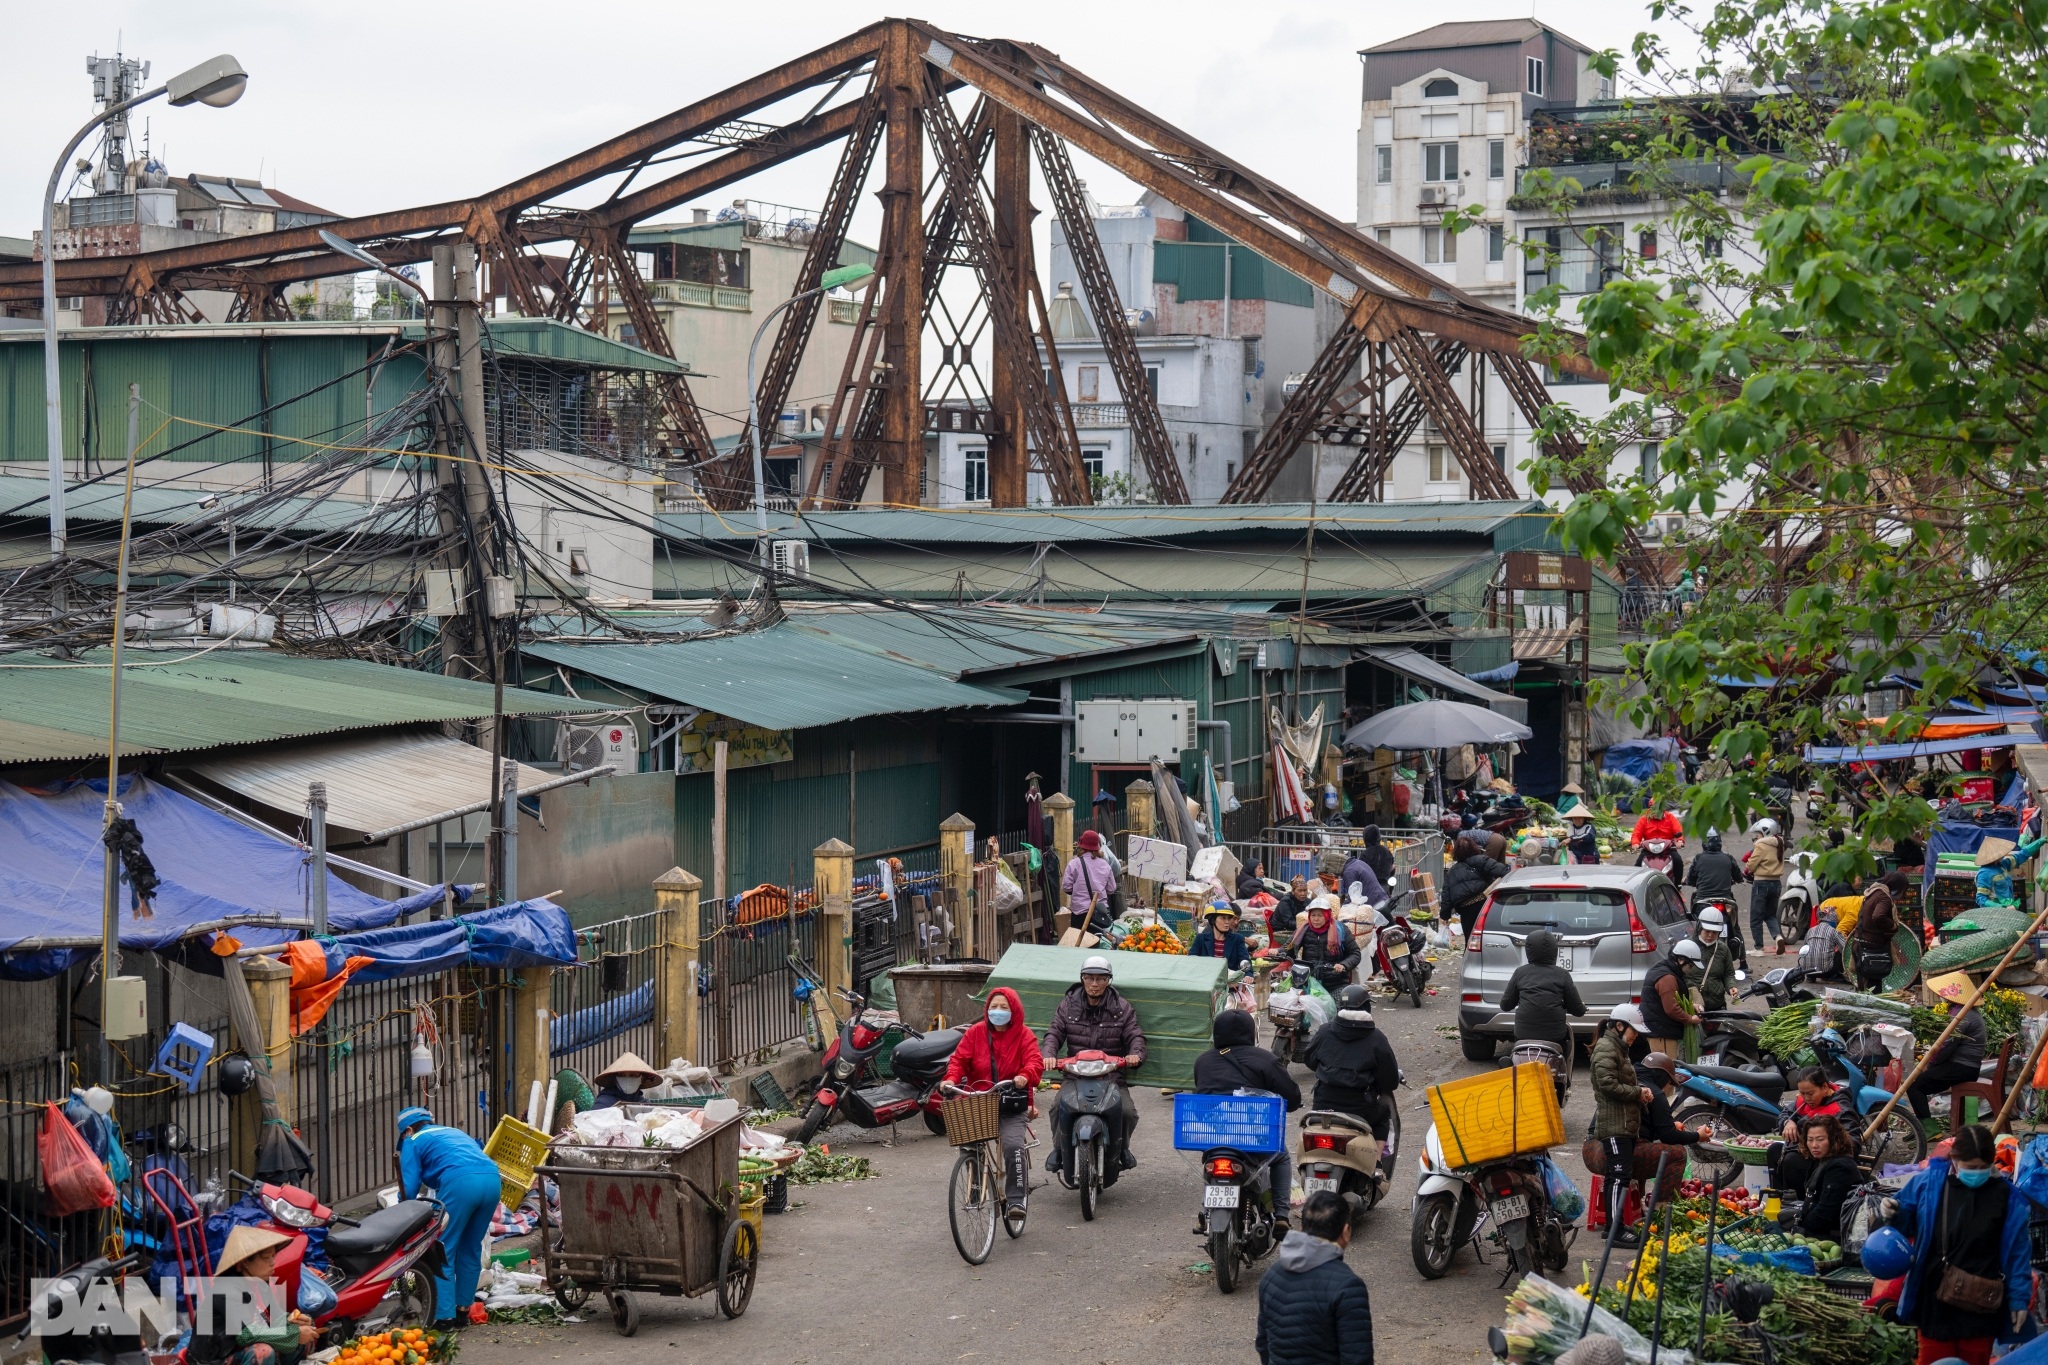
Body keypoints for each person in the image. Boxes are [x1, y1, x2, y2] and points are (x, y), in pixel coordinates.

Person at [1889, 1124, 2032, 1365]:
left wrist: (2019, 1300)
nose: (1975, 1173)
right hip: (1935, 1297)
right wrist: (1893, 1214)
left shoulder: (2008, 1198)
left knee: (1975, 1359)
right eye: (1969, 1167)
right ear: (1954, 1160)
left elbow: (2018, 1253)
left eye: (1981, 1168)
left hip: (1983, 1300)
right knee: (1933, 1359)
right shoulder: (1930, 1182)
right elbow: (1906, 1227)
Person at [1195, 1010, 1303, 1233]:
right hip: (1252, 1136)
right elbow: (1292, 1099)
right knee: (1280, 1156)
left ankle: (1208, 1213)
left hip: (1214, 1135)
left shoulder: (1203, 1060)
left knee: (1211, 1160)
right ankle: (1281, 1215)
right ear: (1250, 1032)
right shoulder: (1265, 1059)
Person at [397, 1105, 503, 1329]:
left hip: (461, 1183)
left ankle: (443, 1317)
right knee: (470, 1247)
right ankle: (462, 1311)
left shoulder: (412, 1140)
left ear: (407, 1129)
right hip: (492, 1180)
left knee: (442, 1249)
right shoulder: (453, 1132)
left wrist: (399, 1212)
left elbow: (409, 1187)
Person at [941, 986, 1042, 1216]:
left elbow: (1034, 1062)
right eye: (993, 1007)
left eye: (1004, 1007)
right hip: (980, 1101)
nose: (998, 1011)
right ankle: (976, 1187)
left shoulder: (1024, 1035)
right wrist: (950, 1079)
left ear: (1014, 1011)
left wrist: (1024, 1075)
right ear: (987, 1009)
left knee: (1013, 1145)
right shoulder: (975, 1033)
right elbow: (959, 1060)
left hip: (1011, 1102)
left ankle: (1017, 1200)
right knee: (969, 1143)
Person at [1043, 955, 1145, 1174]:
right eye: (1090, 978)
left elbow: (1135, 1035)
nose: (1095, 984)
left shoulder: (1121, 1007)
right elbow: (1054, 1033)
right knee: (1056, 1108)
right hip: (1075, 1075)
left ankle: (1123, 1148)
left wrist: (1135, 1054)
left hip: (1111, 1076)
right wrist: (1049, 1054)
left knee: (1127, 1112)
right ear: (1082, 979)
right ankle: (1059, 1149)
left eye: (1100, 979)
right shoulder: (1068, 1005)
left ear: (1108, 980)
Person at [1254, 1190, 1374, 1365]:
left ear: (1303, 1229)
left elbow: (1263, 1345)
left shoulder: (1271, 1276)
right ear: (1346, 1232)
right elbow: (1357, 1358)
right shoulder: (1348, 1287)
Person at [187, 1225, 319, 1365]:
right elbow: (246, 1335)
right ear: (245, 1262)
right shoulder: (226, 1289)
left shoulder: (261, 1284)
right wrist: (295, 1334)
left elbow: (276, 1319)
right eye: (266, 1258)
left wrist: (294, 1322)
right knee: (263, 1351)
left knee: (303, 1334)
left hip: (241, 1349)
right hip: (213, 1359)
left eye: (273, 1256)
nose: (273, 1263)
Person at [1303, 985, 1400, 1148]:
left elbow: (1310, 1059)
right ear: (1367, 1008)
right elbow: (1390, 1081)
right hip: (1360, 1110)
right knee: (1383, 1116)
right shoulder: (1376, 1038)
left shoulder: (1325, 1031)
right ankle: (1377, 1165)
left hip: (1321, 1107)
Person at [1591, 1004, 1652, 1244]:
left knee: (1621, 1175)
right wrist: (1637, 1093)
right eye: (1632, 1030)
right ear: (1619, 1026)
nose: (1635, 1035)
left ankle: (1615, 1227)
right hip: (1614, 1125)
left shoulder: (1618, 1048)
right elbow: (1608, 1085)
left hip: (1623, 1124)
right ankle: (1615, 1230)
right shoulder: (1607, 1048)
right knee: (1618, 1177)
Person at [1498, 929, 1585, 1063]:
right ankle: (1565, 1077)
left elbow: (1505, 1005)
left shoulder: (1520, 972)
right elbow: (1578, 1010)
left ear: (1528, 950)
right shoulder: (1562, 975)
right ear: (1554, 951)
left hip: (1523, 1034)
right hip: (1555, 1036)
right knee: (1567, 1045)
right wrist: (1580, 1008)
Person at [1907, 996, 1987, 1121]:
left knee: (1915, 1087)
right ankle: (1925, 1126)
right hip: (1966, 1066)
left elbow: (1946, 1045)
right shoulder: (1967, 1012)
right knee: (1923, 1081)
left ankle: (1928, 1129)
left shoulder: (1963, 1015)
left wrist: (1931, 1064)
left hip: (1963, 1068)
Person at [1780, 1116, 1860, 1239]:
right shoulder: (1822, 1159)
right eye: (1810, 1139)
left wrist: (1799, 1228)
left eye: (1820, 1139)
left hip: (1833, 1233)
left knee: (1774, 1231)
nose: (1814, 1145)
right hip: (1820, 1224)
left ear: (1834, 1139)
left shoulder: (1840, 1167)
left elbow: (1825, 1214)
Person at [1637, 938, 1703, 1057]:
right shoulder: (1667, 978)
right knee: (1666, 1068)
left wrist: (1692, 1006)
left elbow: (1671, 999)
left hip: (1658, 1028)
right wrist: (1690, 1018)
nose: (1691, 969)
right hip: (1662, 1032)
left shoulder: (1665, 969)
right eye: (1691, 965)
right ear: (1681, 960)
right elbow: (1671, 1008)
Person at [1442, 834, 1509, 940]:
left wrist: (1445, 916)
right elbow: (1504, 871)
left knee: (1470, 941)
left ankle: (1470, 957)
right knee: (1487, 937)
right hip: (1486, 904)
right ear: (1474, 847)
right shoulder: (1482, 860)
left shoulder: (1452, 871)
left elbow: (1446, 896)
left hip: (1466, 909)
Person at [1290, 897, 1362, 993]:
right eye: (1313, 915)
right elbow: (1289, 947)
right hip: (1310, 981)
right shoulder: (1303, 930)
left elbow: (1355, 953)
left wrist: (1343, 965)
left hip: (1336, 983)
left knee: (1339, 1006)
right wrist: (1278, 952)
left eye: (1320, 915)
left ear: (1327, 915)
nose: (1316, 919)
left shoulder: (1341, 930)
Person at [1744, 818, 1790, 952]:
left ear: (1765, 832)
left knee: (1755, 918)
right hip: (1776, 883)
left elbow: (1751, 865)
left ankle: (1758, 948)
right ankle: (1778, 937)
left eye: (1757, 834)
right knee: (1770, 915)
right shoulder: (1780, 843)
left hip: (1761, 884)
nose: (1756, 837)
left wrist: (1748, 865)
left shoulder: (1761, 845)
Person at [1854, 871, 1906, 988]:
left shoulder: (1873, 893)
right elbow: (1878, 916)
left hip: (1861, 943)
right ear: (1897, 887)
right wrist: (1892, 925)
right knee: (1873, 988)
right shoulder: (1884, 897)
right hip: (1872, 948)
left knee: (1863, 985)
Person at [1063, 828, 1120, 933]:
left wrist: (1078, 889)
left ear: (1081, 846)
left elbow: (1066, 887)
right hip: (1099, 914)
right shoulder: (1105, 865)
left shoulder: (1074, 864)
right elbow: (1112, 889)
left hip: (1079, 913)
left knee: (1079, 944)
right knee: (1100, 944)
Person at [1691, 907, 1741, 1011]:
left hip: (1717, 1005)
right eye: (1707, 931)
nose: (1710, 935)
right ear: (1699, 928)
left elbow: (1728, 974)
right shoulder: (1688, 947)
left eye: (1714, 932)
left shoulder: (1723, 949)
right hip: (1693, 1006)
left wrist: (1731, 986)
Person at [1684, 830, 1745, 911]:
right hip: (1725, 900)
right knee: (1733, 909)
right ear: (1719, 842)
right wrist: (1738, 880)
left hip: (1702, 901)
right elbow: (1739, 877)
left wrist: (1685, 881)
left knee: (1694, 916)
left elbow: (1690, 880)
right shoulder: (1729, 858)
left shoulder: (1698, 858)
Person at [1978, 833, 2045, 907]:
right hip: (1995, 913)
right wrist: (2001, 907)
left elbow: (2020, 856)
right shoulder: (1984, 873)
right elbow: (1981, 899)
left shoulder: (2003, 865)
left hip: (2009, 907)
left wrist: (2039, 842)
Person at [591, 1051, 663, 1109]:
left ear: (642, 1079)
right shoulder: (603, 1104)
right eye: (622, 1075)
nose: (627, 1079)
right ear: (615, 1078)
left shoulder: (644, 1104)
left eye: (633, 1075)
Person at [1798, 905, 1848, 982]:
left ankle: (1811, 977)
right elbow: (1845, 949)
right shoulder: (1834, 931)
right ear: (1833, 921)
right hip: (1826, 972)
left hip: (1808, 971)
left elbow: (1804, 949)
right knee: (1840, 952)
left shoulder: (1810, 930)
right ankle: (1833, 976)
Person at [1357, 825, 1398, 892]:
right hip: (1385, 888)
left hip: (1369, 889)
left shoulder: (1365, 854)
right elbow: (1392, 868)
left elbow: (1360, 872)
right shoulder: (1386, 851)